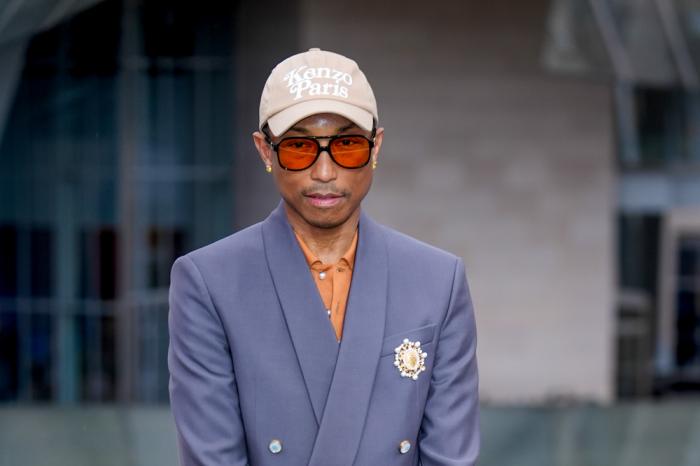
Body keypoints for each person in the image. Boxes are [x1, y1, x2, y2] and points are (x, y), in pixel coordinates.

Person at [168, 48, 479, 466]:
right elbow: (213, 457)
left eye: (347, 145)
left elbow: (450, 455)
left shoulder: (437, 280)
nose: (325, 172)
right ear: (265, 151)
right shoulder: (210, 282)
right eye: (299, 148)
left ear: (375, 147)